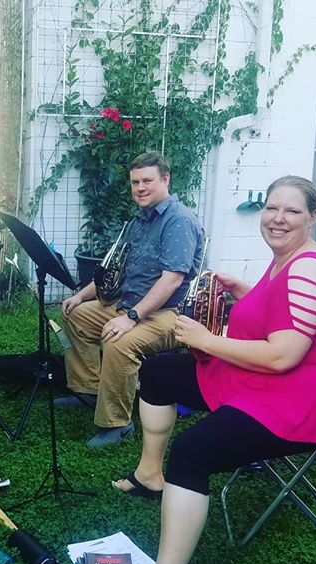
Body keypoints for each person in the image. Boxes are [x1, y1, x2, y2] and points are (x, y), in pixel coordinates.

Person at [107, 176, 316, 564]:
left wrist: (209, 340)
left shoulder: (311, 267)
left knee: (193, 451)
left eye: (292, 211)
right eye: (272, 208)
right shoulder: (284, 263)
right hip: (263, 380)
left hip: (297, 399)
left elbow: (284, 353)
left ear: (314, 217)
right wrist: (246, 291)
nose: (278, 218)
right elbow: (283, 316)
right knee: (159, 372)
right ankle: (151, 476)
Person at [58, 152, 205, 448]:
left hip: (170, 313)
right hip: (131, 302)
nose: (140, 187)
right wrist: (81, 295)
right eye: (135, 182)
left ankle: (117, 423)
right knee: (77, 316)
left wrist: (131, 317)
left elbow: (172, 280)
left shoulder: (178, 221)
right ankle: (90, 389)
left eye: (147, 180)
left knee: (120, 341)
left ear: (165, 179)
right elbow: (117, 269)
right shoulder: (141, 220)